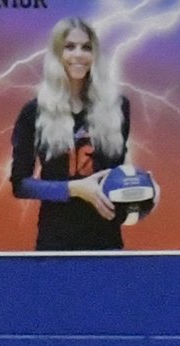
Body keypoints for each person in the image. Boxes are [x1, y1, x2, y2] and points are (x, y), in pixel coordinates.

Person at [8, 17, 132, 253]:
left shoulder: (118, 108)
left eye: (86, 47)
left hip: (106, 241)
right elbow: (20, 185)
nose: (79, 54)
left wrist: (140, 187)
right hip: (56, 241)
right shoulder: (34, 112)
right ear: (57, 54)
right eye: (69, 47)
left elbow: (116, 174)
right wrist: (74, 189)